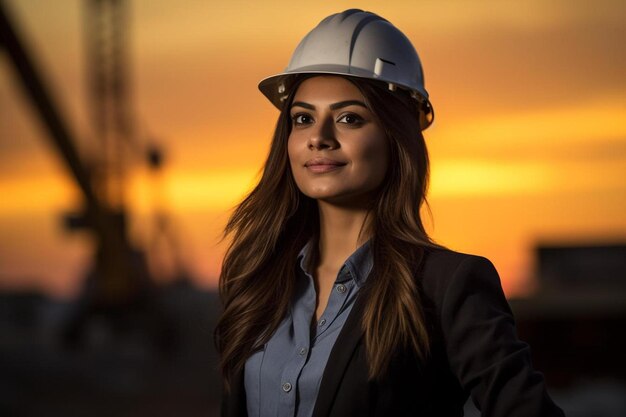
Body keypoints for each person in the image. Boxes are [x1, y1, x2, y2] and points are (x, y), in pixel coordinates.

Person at [215, 9, 565, 417]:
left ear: (395, 137)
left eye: (349, 118)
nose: (319, 138)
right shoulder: (256, 280)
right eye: (303, 118)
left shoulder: (445, 288)